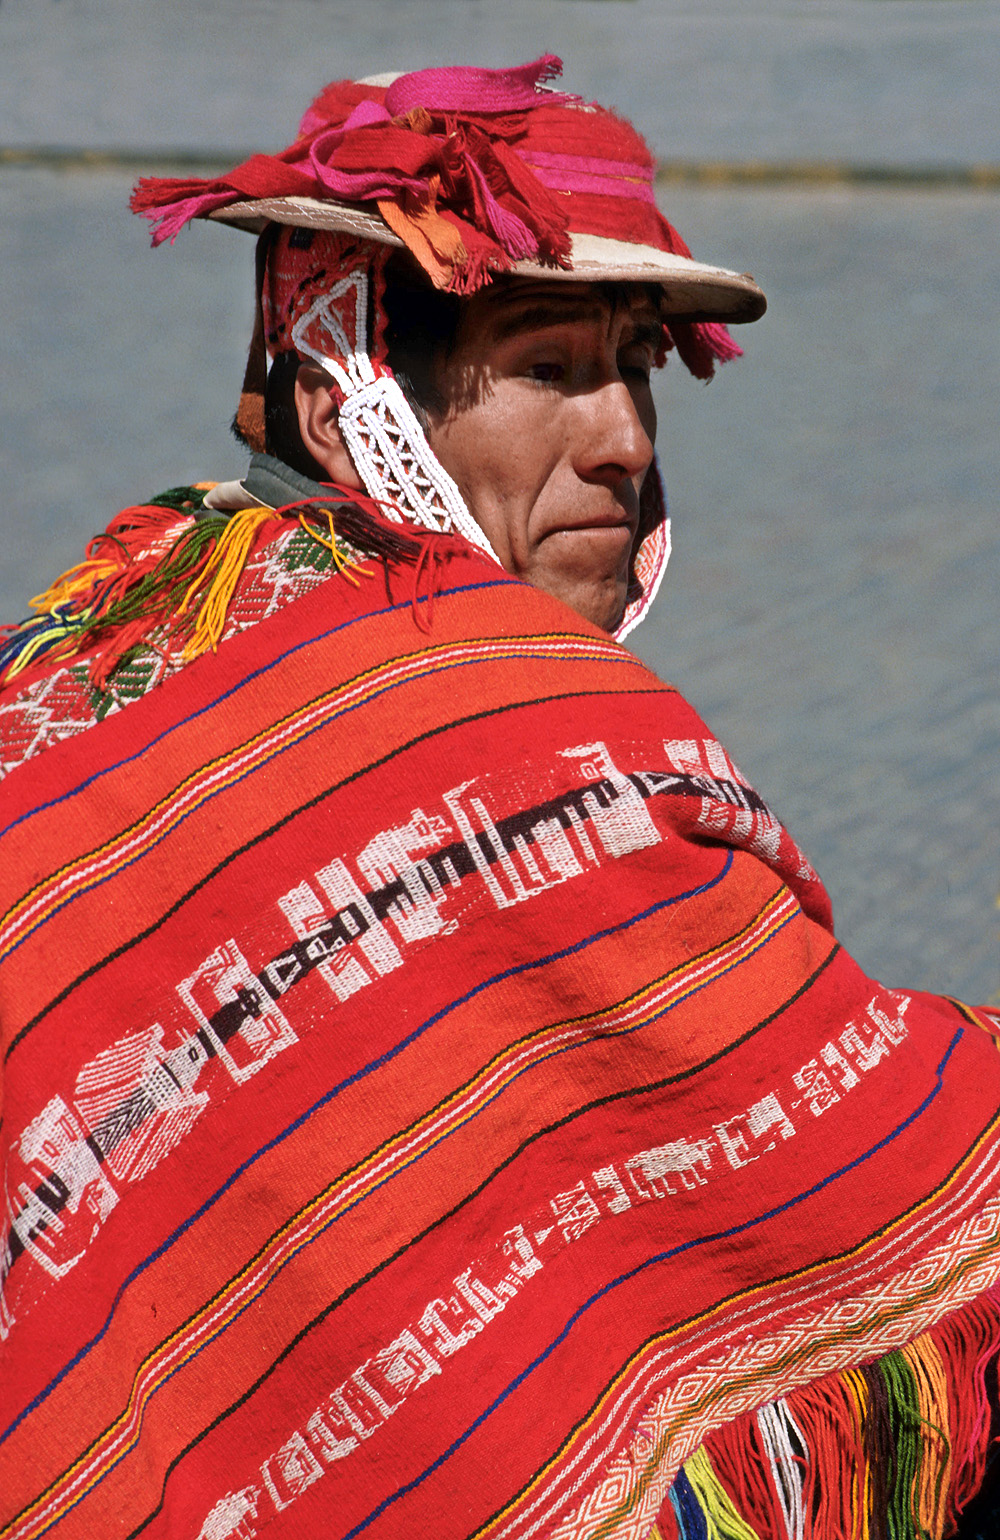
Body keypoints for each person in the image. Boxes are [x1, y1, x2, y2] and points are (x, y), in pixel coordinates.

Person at [0, 57, 998, 1540]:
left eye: (641, 366)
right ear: (350, 402)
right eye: (548, 370)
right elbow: (849, 1165)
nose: (628, 442)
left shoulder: (82, 647)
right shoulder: (505, 706)